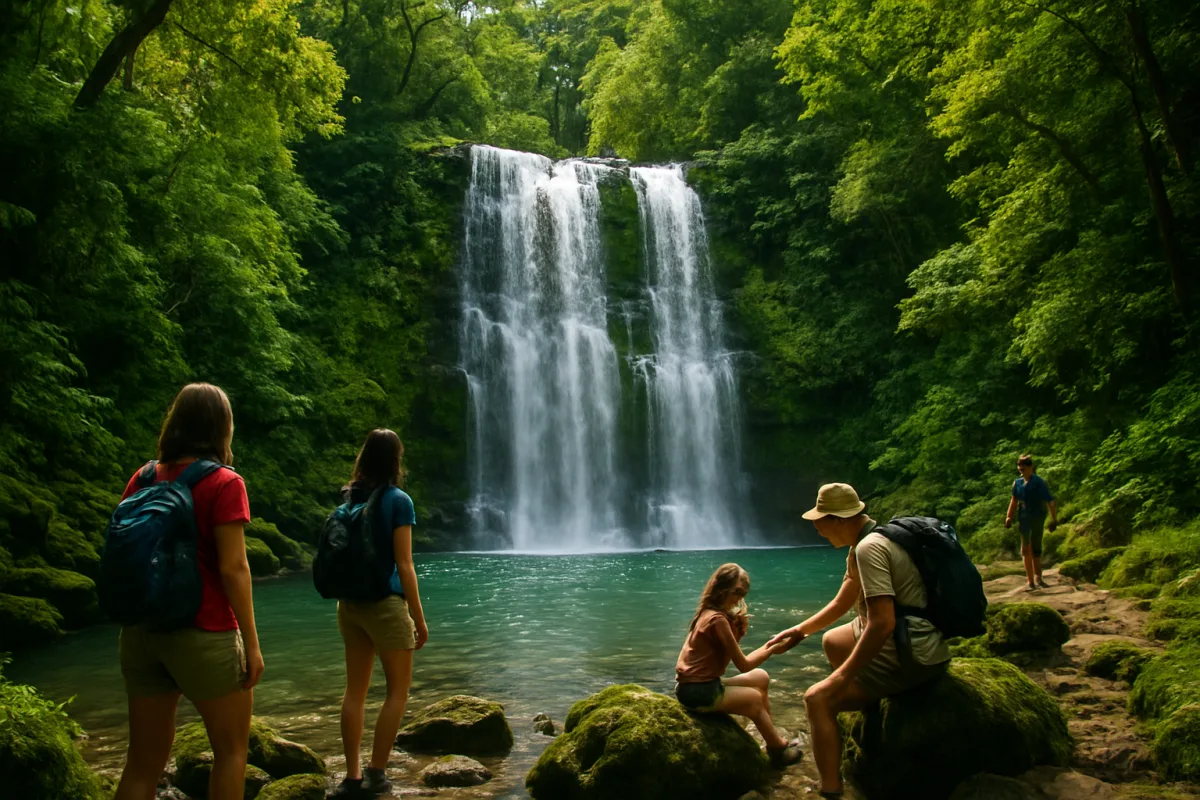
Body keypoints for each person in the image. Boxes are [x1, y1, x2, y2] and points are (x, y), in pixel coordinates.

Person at [114, 383, 264, 800]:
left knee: (141, 764)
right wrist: (251, 644)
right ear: (222, 428)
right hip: (205, 632)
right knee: (232, 752)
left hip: (142, 632)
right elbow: (234, 568)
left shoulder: (143, 477)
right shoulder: (224, 482)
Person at [767, 483, 950, 799]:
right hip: (921, 638)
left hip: (913, 652)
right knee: (834, 640)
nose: (817, 529)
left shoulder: (869, 550)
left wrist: (838, 679)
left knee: (817, 699)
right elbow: (842, 602)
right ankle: (868, 703)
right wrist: (800, 631)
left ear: (839, 519)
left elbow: (882, 623)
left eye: (820, 522)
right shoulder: (868, 541)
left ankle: (831, 790)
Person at [332, 429, 429, 798]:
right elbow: (404, 566)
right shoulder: (398, 501)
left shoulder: (348, 500)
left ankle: (351, 776)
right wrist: (418, 619)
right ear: (395, 459)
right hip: (386, 607)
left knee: (354, 692)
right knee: (397, 693)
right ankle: (377, 773)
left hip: (349, 606)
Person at [675, 563, 802, 768]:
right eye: (736, 592)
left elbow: (723, 655)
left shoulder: (708, 612)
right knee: (754, 699)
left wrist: (744, 634)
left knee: (760, 677)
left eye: (743, 594)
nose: (738, 599)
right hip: (699, 691)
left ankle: (771, 737)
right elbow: (743, 664)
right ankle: (778, 750)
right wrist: (772, 649)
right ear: (720, 588)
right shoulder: (717, 620)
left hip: (698, 685)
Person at [1005, 454, 1059, 591]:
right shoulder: (1017, 483)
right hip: (1023, 516)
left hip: (1037, 515)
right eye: (1019, 466)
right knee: (1025, 548)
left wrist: (1054, 519)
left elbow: (1050, 501)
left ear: (1031, 467)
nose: (1021, 469)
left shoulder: (1039, 482)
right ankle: (1030, 581)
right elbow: (1014, 500)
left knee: (1036, 547)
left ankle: (1038, 577)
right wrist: (1009, 517)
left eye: (1024, 466)